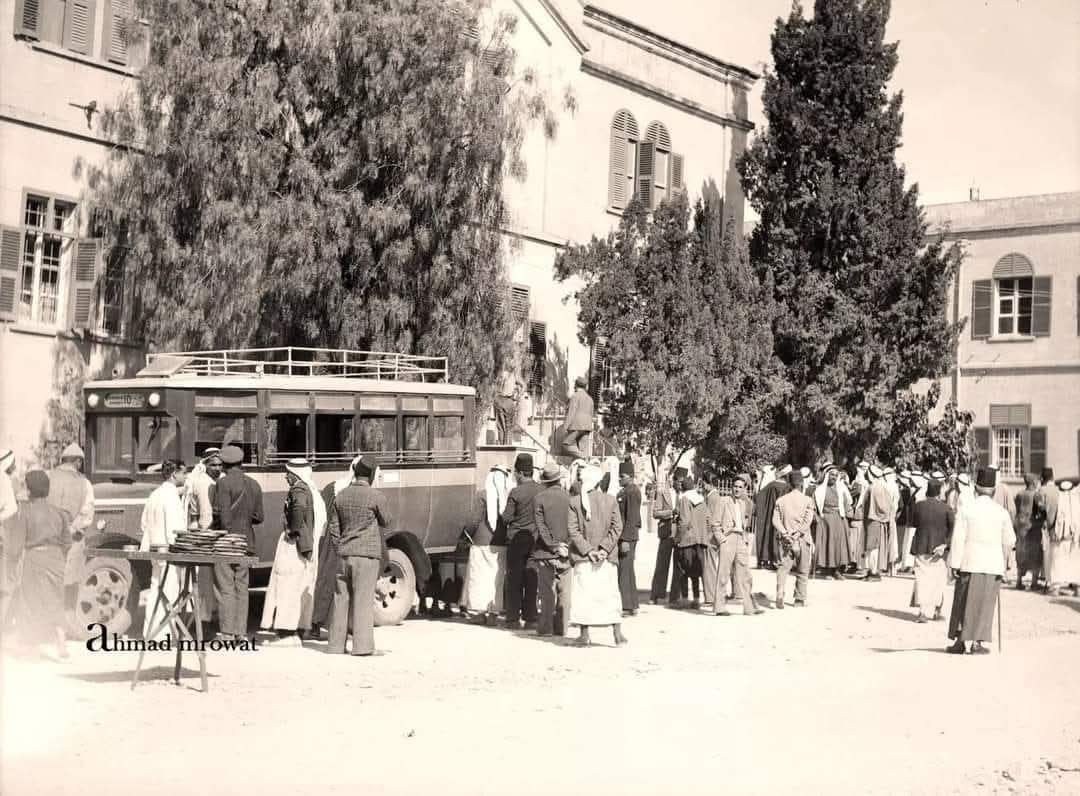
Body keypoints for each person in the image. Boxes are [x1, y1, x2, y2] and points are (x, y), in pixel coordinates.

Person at [327, 455, 392, 656]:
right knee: (363, 600)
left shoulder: (341, 495)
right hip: (366, 555)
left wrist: (340, 546)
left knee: (340, 599)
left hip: (343, 554)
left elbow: (334, 527)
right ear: (371, 475)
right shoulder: (376, 497)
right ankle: (362, 647)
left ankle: (335, 645)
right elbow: (387, 521)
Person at [4, 471, 72, 660]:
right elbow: (67, 541)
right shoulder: (59, 512)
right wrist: (58, 557)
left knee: (30, 603)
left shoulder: (25, 513)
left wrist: (11, 563)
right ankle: (62, 644)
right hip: (56, 559)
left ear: (29, 490)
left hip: (34, 559)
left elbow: (16, 546)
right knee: (56, 600)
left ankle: (32, 649)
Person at [947, 468, 1016, 654]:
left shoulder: (966, 509)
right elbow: (1010, 540)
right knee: (985, 604)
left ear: (976, 488)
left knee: (963, 601)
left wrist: (954, 563)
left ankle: (960, 642)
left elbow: (958, 538)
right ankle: (977, 643)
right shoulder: (1001, 512)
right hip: (992, 564)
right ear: (993, 490)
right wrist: (1005, 562)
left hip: (969, 561)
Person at [261, 459, 327, 645]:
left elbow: (298, 509)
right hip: (305, 546)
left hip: (294, 546)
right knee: (300, 586)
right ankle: (297, 630)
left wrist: (292, 531)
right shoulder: (310, 489)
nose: (286, 477)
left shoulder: (298, 490)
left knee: (287, 586)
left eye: (288, 473)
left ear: (296, 474)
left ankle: (287, 634)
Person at [567, 464, 626, 647]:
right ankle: (617, 635)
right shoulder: (611, 500)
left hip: (584, 558)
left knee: (584, 595)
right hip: (606, 558)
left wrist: (588, 550)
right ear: (599, 482)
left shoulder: (574, 502)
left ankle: (584, 635)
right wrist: (604, 549)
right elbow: (617, 527)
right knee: (610, 595)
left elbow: (573, 530)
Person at [212, 445, 264, 642]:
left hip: (227, 543)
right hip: (246, 542)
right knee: (242, 588)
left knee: (225, 587)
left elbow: (223, 518)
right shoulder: (254, 484)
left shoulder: (223, 483)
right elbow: (259, 517)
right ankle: (240, 633)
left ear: (224, 464)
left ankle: (227, 632)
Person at [139, 460, 189, 640]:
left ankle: (150, 632)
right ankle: (164, 634)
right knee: (170, 591)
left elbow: (144, 523)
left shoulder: (155, 494)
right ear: (174, 474)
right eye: (184, 473)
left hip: (154, 548)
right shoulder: (171, 497)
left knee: (155, 589)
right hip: (169, 551)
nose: (186, 476)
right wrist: (180, 549)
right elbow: (175, 529)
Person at [462, 464, 512, 625]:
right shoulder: (508, 497)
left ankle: (478, 613)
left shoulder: (482, 495)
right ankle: (493, 614)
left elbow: (474, 520)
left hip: (481, 543)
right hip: (501, 544)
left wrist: (466, 535)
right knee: (496, 580)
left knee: (479, 578)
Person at [710, 474, 763, 616]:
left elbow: (744, 524)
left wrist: (744, 540)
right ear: (731, 487)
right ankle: (719, 607)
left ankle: (749, 608)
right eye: (735, 486)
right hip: (728, 539)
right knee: (723, 573)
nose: (737, 489)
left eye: (740, 487)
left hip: (740, 539)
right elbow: (715, 523)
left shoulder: (744, 504)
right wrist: (722, 540)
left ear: (744, 489)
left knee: (745, 574)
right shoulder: (723, 501)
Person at [47, 443, 95, 601]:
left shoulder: (48, 477)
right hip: (72, 539)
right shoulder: (84, 483)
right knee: (70, 581)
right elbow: (86, 514)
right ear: (78, 462)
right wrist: (71, 529)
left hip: (48, 538)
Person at [531, 463, 573, 636]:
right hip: (566, 551)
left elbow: (541, 527)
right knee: (565, 592)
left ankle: (545, 627)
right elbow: (574, 526)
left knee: (547, 591)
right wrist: (565, 545)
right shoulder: (570, 498)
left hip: (545, 552)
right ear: (558, 479)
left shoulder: (539, 499)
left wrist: (553, 545)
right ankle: (562, 627)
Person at [501, 453, 542, 629]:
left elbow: (506, 518)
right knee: (531, 579)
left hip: (516, 541)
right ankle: (530, 618)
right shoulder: (541, 490)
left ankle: (513, 619)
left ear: (519, 473)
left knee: (514, 580)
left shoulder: (516, 492)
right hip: (535, 540)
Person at [910, 479, 954, 622]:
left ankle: (922, 612)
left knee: (922, 580)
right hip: (939, 550)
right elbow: (953, 529)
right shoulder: (946, 509)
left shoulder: (918, 506)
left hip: (921, 546)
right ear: (939, 492)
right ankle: (937, 611)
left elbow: (913, 523)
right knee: (938, 581)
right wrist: (946, 544)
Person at [186, 450, 223, 625]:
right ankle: (205, 619)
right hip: (206, 534)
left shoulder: (218, 480)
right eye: (213, 465)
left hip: (215, 534)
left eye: (220, 465)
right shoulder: (203, 483)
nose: (217, 468)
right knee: (205, 580)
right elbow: (204, 514)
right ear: (206, 465)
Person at [773, 470, 815, 608]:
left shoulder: (781, 500)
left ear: (789, 483)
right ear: (802, 483)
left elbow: (775, 520)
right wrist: (797, 534)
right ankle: (799, 599)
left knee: (782, 568)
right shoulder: (808, 500)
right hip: (802, 539)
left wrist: (785, 533)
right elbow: (807, 521)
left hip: (785, 540)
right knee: (803, 569)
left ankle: (780, 593)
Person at [673, 475, 709, 609]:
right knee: (695, 571)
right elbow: (708, 519)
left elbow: (684, 521)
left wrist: (677, 539)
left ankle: (684, 599)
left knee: (683, 571)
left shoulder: (684, 499)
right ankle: (696, 599)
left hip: (687, 540)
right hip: (699, 541)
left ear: (683, 488)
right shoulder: (701, 500)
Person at [813, 464, 853, 580]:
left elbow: (847, 504)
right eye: (832, 475)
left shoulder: (841, 489)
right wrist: (817, 517)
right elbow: (814, 506)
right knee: (827, 544)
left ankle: (837, 570)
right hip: (825, 520)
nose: (834, 477)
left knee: (839, 545)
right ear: (827, 475)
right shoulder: (819, 490)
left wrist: (847, 514)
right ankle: (828, 571)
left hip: (839, 519)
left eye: (836, 475)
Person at [649, 465, 679, 604]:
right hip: (666, 533)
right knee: (661, 565)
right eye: (676, 480)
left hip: (680, 534)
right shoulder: (663, 493)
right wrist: (670, 513)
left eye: (681, 481)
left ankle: (675, 597)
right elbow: (655, 513)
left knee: (678, 567)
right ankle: (656, 594)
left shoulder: (686, 495)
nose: (678, 483)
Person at [753, 464, 791, 570]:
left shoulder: (771, 485)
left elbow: (759, 497)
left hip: (770, 515)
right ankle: (778, 560)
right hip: (783, 515)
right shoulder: (789, 487)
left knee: (768, 535)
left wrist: (756, 484)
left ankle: (767, 559)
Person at [616, 459, 641, 616]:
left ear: (631, 476)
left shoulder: (632, 492)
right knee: (627, 570)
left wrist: (625, 539)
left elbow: (632, 517)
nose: (620, 478)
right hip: (626, 536)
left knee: (624, 571)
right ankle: (632, 604)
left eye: (622, 476)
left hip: (628, 537)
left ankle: (626, 605)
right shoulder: (626, 491)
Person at [1047, 479, 1080, 597]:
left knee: (1058, 562)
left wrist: (1050, 529)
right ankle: (1077, 588)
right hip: (1074, 536)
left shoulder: (1057, 500)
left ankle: (1055, 588)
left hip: (1059, 536)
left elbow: (1051, 518)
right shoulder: (1077, 500)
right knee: (1075, 562)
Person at [862, 464, 892, 581]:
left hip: (874, 521)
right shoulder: (880, 486)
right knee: (871, 547)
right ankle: (871, 571)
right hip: (874, 521)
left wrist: (876, 515)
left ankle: (874, 572)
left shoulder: (875, 487)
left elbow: (882, 507)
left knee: (873, 547)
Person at [1013, 473, 1041, 590]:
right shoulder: (1036, 495)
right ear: (1034, 482)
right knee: (1035, 554)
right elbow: (1040, 510)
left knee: (1021, 552)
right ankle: (1034, 582)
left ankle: (1019, 580)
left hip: (1020, 526)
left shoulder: (1019, 494)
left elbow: (1016, 509)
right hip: (1032, 527)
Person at [1036, 468, 1061, 594]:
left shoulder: (1042, 491)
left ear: (1042, 478)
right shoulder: (1058, 490)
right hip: (1060, 526)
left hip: (1047, 526)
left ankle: (1050, 582)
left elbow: (1040, 509)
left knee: (1047, 555)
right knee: (1057, 555)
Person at [562, 377, 595, 459]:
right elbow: (591, 414)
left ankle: (583, 457)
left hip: (577, 426)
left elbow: (571, 412)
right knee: (581, 449)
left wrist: (565, 427)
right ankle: (583, 460)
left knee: (566, 444)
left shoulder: (575, 396)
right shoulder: (590, 399)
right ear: (585, 386)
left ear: (576, 385)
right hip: (587, 427)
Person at [0, 448, 16, 524]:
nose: (15, 467)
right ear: (7, 463)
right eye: (13, 463)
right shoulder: (4, 478)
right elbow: (12, 508)